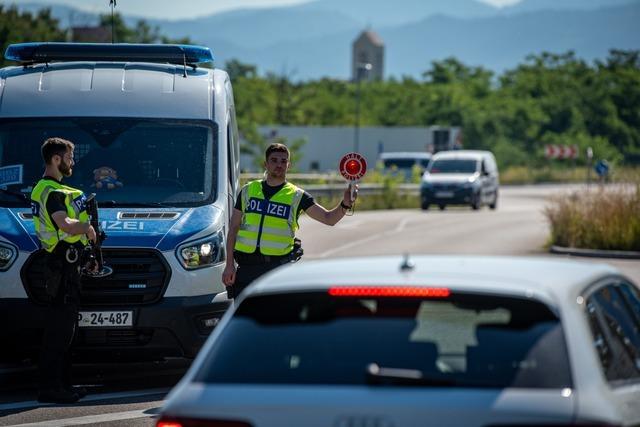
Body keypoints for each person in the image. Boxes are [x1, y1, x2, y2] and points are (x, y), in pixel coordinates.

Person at [222, 143, 357, 298]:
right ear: (265, 164)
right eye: (274, 160)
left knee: (278, 319)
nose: (279, 165)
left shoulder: (297, 196)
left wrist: (345, 204)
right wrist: (229, 265)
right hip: (246, 268)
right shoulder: (248, 190)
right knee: (244, 318)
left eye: (283, 161)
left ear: (288, 165)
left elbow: (329, 219)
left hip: (277, 269)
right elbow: (233, 228)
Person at [30, 137, 96, 404]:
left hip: (67, 265)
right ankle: (51, 389)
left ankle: (63, 385)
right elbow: (65, 224)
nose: (72, 162)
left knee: (66, 331)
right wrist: (86, 229)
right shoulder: (52, 191)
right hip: (60, 266)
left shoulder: (54, 189)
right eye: (69, 157)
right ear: (56, 159)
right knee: (58, 333)